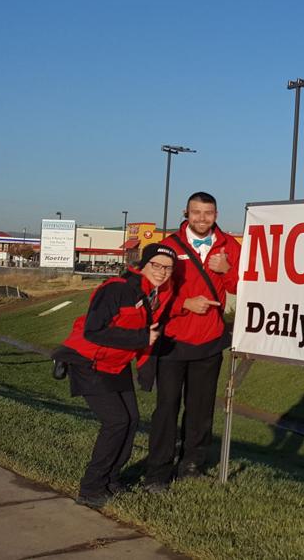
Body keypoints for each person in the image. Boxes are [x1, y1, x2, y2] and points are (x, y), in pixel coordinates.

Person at [52, 243, 176, 508]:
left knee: (131, 420)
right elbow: (93, 331)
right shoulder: (117, 289)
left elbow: (144, 336)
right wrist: (143, 337)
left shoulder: (149, 295)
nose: (162, 272)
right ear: (143, 265)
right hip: (89, 362)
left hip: (116, 364)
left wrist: (146, 370)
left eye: (168, 268)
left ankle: (111, 480)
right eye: (156, 265)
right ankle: (91, 487)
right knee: (116, 422)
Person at [144, 191, 241, 490]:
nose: (202, 218)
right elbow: (151, 291)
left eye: (208, 213)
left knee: (200, 410)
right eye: (196, 212)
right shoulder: (168, 246)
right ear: (185, 213)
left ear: (216, 214)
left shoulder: (229, 246)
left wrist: (225, 272)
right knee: (167, 408)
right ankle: (158, 472)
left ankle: (191, 465)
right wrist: (184, 304)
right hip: (173, 340)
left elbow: (247, 285)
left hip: (210, 340)